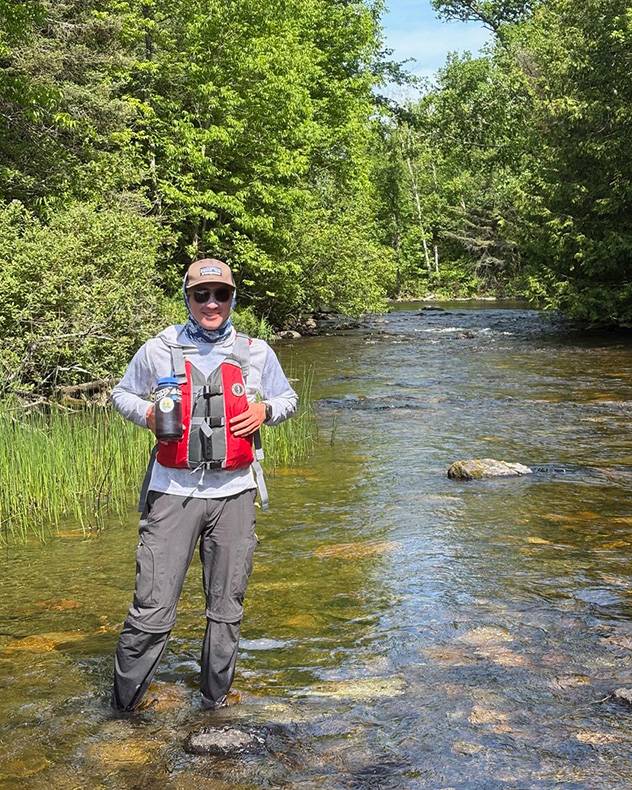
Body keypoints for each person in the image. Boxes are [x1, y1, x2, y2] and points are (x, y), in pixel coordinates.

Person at [109, 258, 298, 711]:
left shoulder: (257, 352)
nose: (211, 304)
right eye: (201, 295)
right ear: (188, 298)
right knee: (152, 611)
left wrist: (265, 412)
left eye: (221, 295)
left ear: (233, 298)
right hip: (172, 492)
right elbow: (121, 394)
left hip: (235, 492)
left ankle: (213, 709)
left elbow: (287, 397)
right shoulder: (158, 349)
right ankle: (120, 713)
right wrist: (149, 415)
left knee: (226, 611)